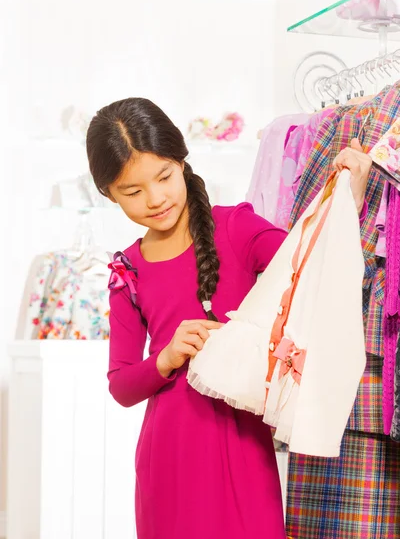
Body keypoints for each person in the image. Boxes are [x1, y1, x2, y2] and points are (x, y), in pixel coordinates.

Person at [86, 97, 372, 539]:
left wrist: (346, 201)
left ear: (182, 162)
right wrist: (165, 358)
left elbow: (311, 265)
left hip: (241, 446)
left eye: (163, 176)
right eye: (133, 191)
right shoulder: (127, 271)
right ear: (108, 193)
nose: (156, 198)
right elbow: (121, 386)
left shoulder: (236, 227)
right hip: (168, 458)